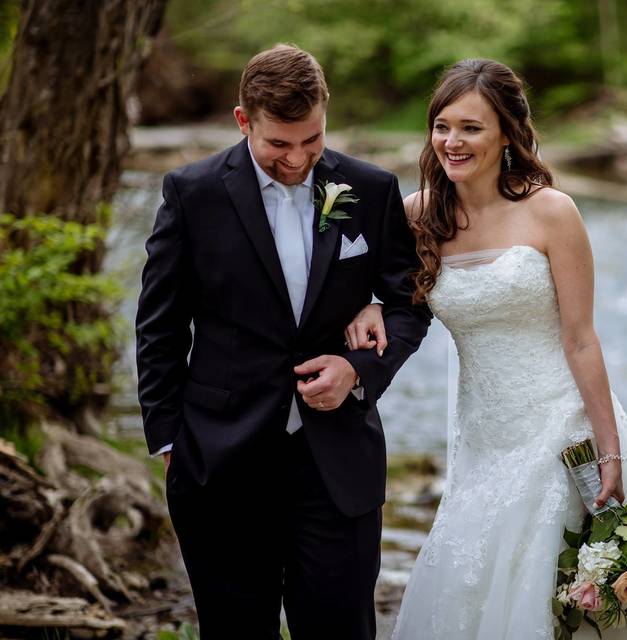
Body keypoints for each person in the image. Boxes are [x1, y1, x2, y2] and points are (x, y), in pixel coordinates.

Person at [344, 58, 627, 638]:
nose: (452, 142)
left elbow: (581, 338)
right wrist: (372, 303)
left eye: (471, 128)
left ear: (507, 132)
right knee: (474, 579)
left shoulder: (551, 212)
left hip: (564, 430)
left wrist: (609, 452)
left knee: (574, 591)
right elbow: (376, 290)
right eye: (442, 126)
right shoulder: (417, 215)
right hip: (481, 440)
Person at [135, 44, 430, 639]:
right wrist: (168, 439)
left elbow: (408, 303)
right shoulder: (193, 193)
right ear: (244, 121)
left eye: (312, 140)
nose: (297, 159)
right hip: (219, 461)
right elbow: (160, 326)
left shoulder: (370, 190)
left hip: (336, 463)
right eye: (279, 144)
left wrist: (357, 370)